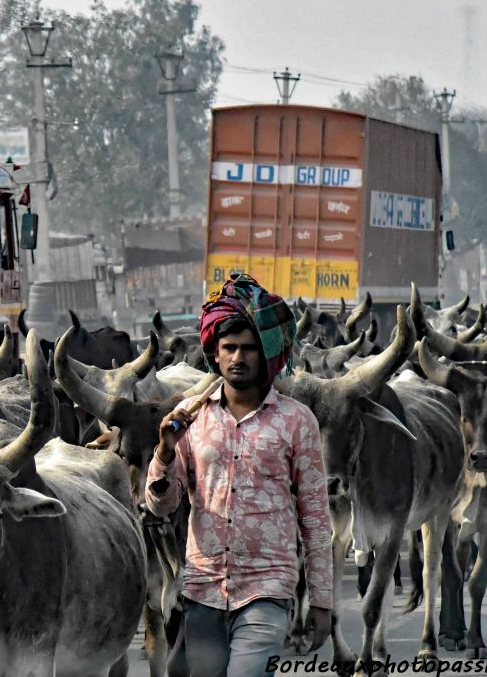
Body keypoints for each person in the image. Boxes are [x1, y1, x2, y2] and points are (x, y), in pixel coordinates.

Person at [146, 273, 333, 677]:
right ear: (214, 353)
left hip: (268, 586)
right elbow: (162, 504)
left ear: (264, 355)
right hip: (203, 587)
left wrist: (322, 600)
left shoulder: (297, 421)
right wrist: (163, 451)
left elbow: (316, 518)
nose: (238, 358)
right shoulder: (190, 418)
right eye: (228, 348)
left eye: (248, 349)